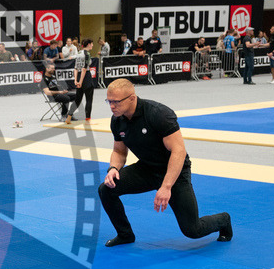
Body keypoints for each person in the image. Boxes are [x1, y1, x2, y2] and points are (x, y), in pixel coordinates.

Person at [98, 79, 232, 247]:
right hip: (147, 168)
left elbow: (179, 151)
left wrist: (166, 186)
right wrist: (113, 168)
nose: (112, 106)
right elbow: (119, 151)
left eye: (116, 102)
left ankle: (224, 220)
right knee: (106, 189)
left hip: (175, 171)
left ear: (132, 98)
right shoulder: (117, 120)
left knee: (192, 230)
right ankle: (125, 234)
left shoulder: (158, 114)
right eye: (109, 101)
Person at [64, 38, 94, 124]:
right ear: (88, 44)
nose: (92, 45)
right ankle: (88, 119)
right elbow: (84, 69)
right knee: (89, 100)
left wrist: (75, 80)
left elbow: (76, 68)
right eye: (92, 44)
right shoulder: (87, 54)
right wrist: (80, 82)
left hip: (79, 76)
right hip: (86, 77)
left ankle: (69, 117)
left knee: (77, 100)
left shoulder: (78, 53)